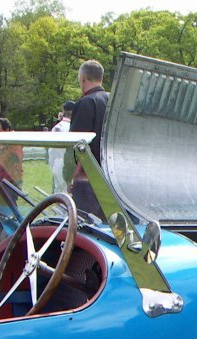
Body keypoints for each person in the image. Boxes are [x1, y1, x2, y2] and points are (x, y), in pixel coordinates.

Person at [69, 59, 109, 219]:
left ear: (83, 78)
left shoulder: (85, 103)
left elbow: (79, 147)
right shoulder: (112, 101)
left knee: (86, 226)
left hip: (88, 180)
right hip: (111, 179)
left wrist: (73, 177)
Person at [0, 117, 23, 188]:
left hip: (10, 182)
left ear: (7, 130)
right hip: (0, 180)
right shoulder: (1, 143)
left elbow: (8, 160)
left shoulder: (14, 143)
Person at [49, 101, 74, 193]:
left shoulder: (56, 127)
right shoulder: (72, 127)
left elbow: (51, 151)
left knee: (59, 193)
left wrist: (53, 165)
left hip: (57, 162)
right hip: (69, 164)